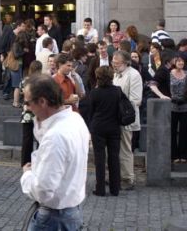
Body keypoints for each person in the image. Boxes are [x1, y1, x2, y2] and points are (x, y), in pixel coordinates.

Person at [20, 74, 89, 230]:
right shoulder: (75, 119)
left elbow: (43, 191)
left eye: (28, 102)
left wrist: (27, 175)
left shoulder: (55, 137)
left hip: (53, 218)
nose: (27, 108)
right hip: (71, 211)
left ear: (43, 102)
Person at [112, 50, 143, 191]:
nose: (114, 65)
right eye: (113, 62)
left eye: (117, 63)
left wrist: (119, 107)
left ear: (125, 63)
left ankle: (128, 178)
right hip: (115, 118)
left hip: (126, 118)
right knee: (116, 149)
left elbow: (135, 100)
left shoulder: (133, 75)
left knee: (125, 149)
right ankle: (117, 175)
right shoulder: (117, 74)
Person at [89, 66, 121, 196]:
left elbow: (90, 111)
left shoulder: (94, 92)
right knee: (114, 157)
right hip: (114, 127)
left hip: (98, 127)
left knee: (99, 158)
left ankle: (100, 188)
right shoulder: (117, 91)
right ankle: (115, 188)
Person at [19, 60, 42, 167]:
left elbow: (20, 93)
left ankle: (25, 163)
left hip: (27, 112)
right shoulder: (41, 81)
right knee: (40, 139)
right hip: (39, 112)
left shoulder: (25, 81)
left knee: (26, 139)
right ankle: (38, 161)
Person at [169, 56, 187, 163]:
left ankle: (183, 155)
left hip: (185, 106)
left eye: (182, 61)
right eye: (178, 61)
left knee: (184, 131)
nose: (181, 63)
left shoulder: (186, 73)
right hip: (172, 105)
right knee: (172, 131)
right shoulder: (169, 73)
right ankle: (174, 155)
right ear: (174, 62)